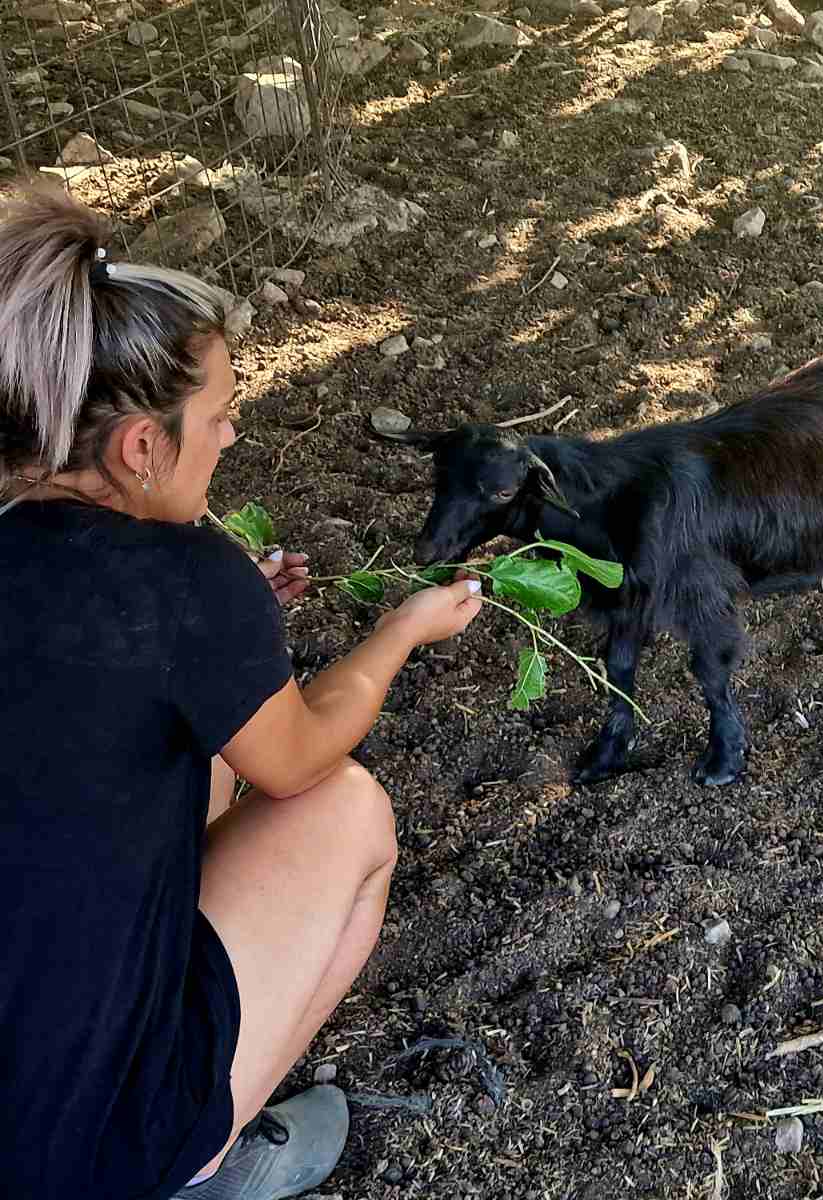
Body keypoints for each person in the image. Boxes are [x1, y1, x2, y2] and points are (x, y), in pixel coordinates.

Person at [0, 181, 485, 1200]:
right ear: (140, 448)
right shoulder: (181, 577)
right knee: (349, 810)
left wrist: (227, 637)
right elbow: (300, 754)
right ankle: (197, 1159)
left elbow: (87, 695)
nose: (228, 439)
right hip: (70, 1150)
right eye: (220, 418)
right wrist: (398, 631)